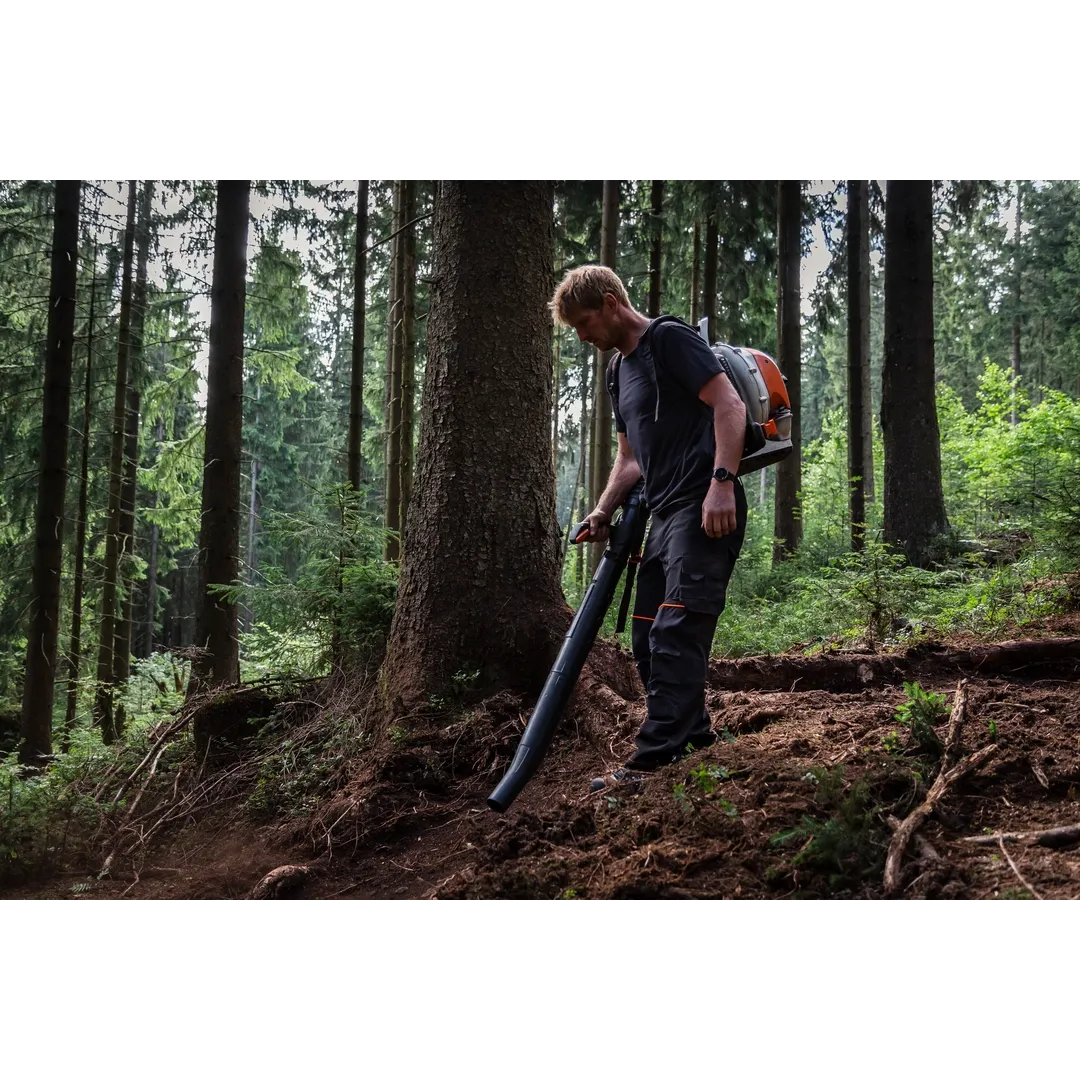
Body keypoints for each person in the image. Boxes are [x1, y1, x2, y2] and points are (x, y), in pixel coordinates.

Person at [549, 265, 749, 792]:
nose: (582, 336)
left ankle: (651, 761)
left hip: (703, 507)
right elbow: (630, 458)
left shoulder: (669, 339)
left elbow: (728, 404)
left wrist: (722, 483)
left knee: (676, 628)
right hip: (663, 517)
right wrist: (602, 511)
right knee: (647, 634)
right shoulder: (618, 371)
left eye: (584, 322)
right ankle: (695, 738)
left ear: (611, 302)